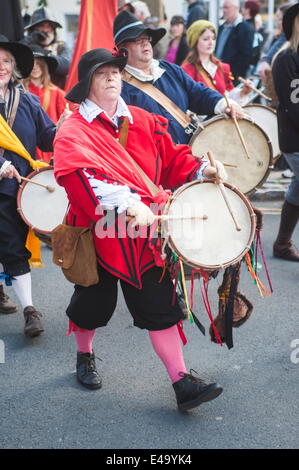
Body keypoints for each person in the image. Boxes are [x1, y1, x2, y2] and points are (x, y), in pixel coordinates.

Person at [54, 48, 225, 411]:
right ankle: (84, 355)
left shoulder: (144, 120)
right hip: (98, 233)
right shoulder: (73, 130)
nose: (112, 76)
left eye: (115, 70)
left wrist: (200, 171)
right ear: (86, 84)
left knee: (159, 304)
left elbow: (174, 158)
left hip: (142, 235)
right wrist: (128, 204)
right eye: (102, 73)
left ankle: (182, 383)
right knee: (92, 305)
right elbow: (80, 178)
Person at [113, 10, 244, 145]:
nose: (145, 43)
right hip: (158, 162)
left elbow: (197, 93)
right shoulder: (120, 88)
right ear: (123, 48)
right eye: (137, 40)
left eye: (146, 38)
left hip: (190, 151)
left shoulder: (169, 69)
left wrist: (224, 105)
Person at [0, 35, 57, 336]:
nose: (2, 66)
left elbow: (47, 135)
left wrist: (68, 132)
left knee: (14, 246)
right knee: (9, 247)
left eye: (6, 61)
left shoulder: (28, 101)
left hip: (20, 190)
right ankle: (22, 305)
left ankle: (24, 304)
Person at [272, 3, 299, 262]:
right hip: (295, 138)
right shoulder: (287, 58)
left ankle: (281, 244)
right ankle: (281, 243)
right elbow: (294, 105)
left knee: (297, 190)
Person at [182, 19, 252, 104]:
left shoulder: (223, 67)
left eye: (213, 38)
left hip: (222, 116)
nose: (211, 43)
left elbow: (228, 96)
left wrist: (243, 92)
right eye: (206, 39)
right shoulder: (187, 70)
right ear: (195, 42)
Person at [22, 45, 66, 163]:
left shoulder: (58, 94)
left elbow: (64, 123)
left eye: (38, 63)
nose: (35, 67)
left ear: (44, 66)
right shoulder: (19, 95)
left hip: (49, 146)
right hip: (27, 147)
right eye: (32, 63)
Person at [23, 6, 72, 89]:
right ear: (33, 29)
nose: (45, 30)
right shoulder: (27, 46)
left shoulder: (61, 46)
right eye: (41, 26)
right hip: (30, 94)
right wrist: (29, 39)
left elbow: (67, 67)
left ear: (54, 30)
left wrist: (43, 54)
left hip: (56, 95)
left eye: (49, 27)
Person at [215, 0, 254, 83]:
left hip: (233, 77)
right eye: (223, 8)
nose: (224, 10)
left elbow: (246, 55)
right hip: (218, 73)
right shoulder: (221, 27)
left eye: (227, 8)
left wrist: (233, 74)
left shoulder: (245, 28)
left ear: (236, 8)